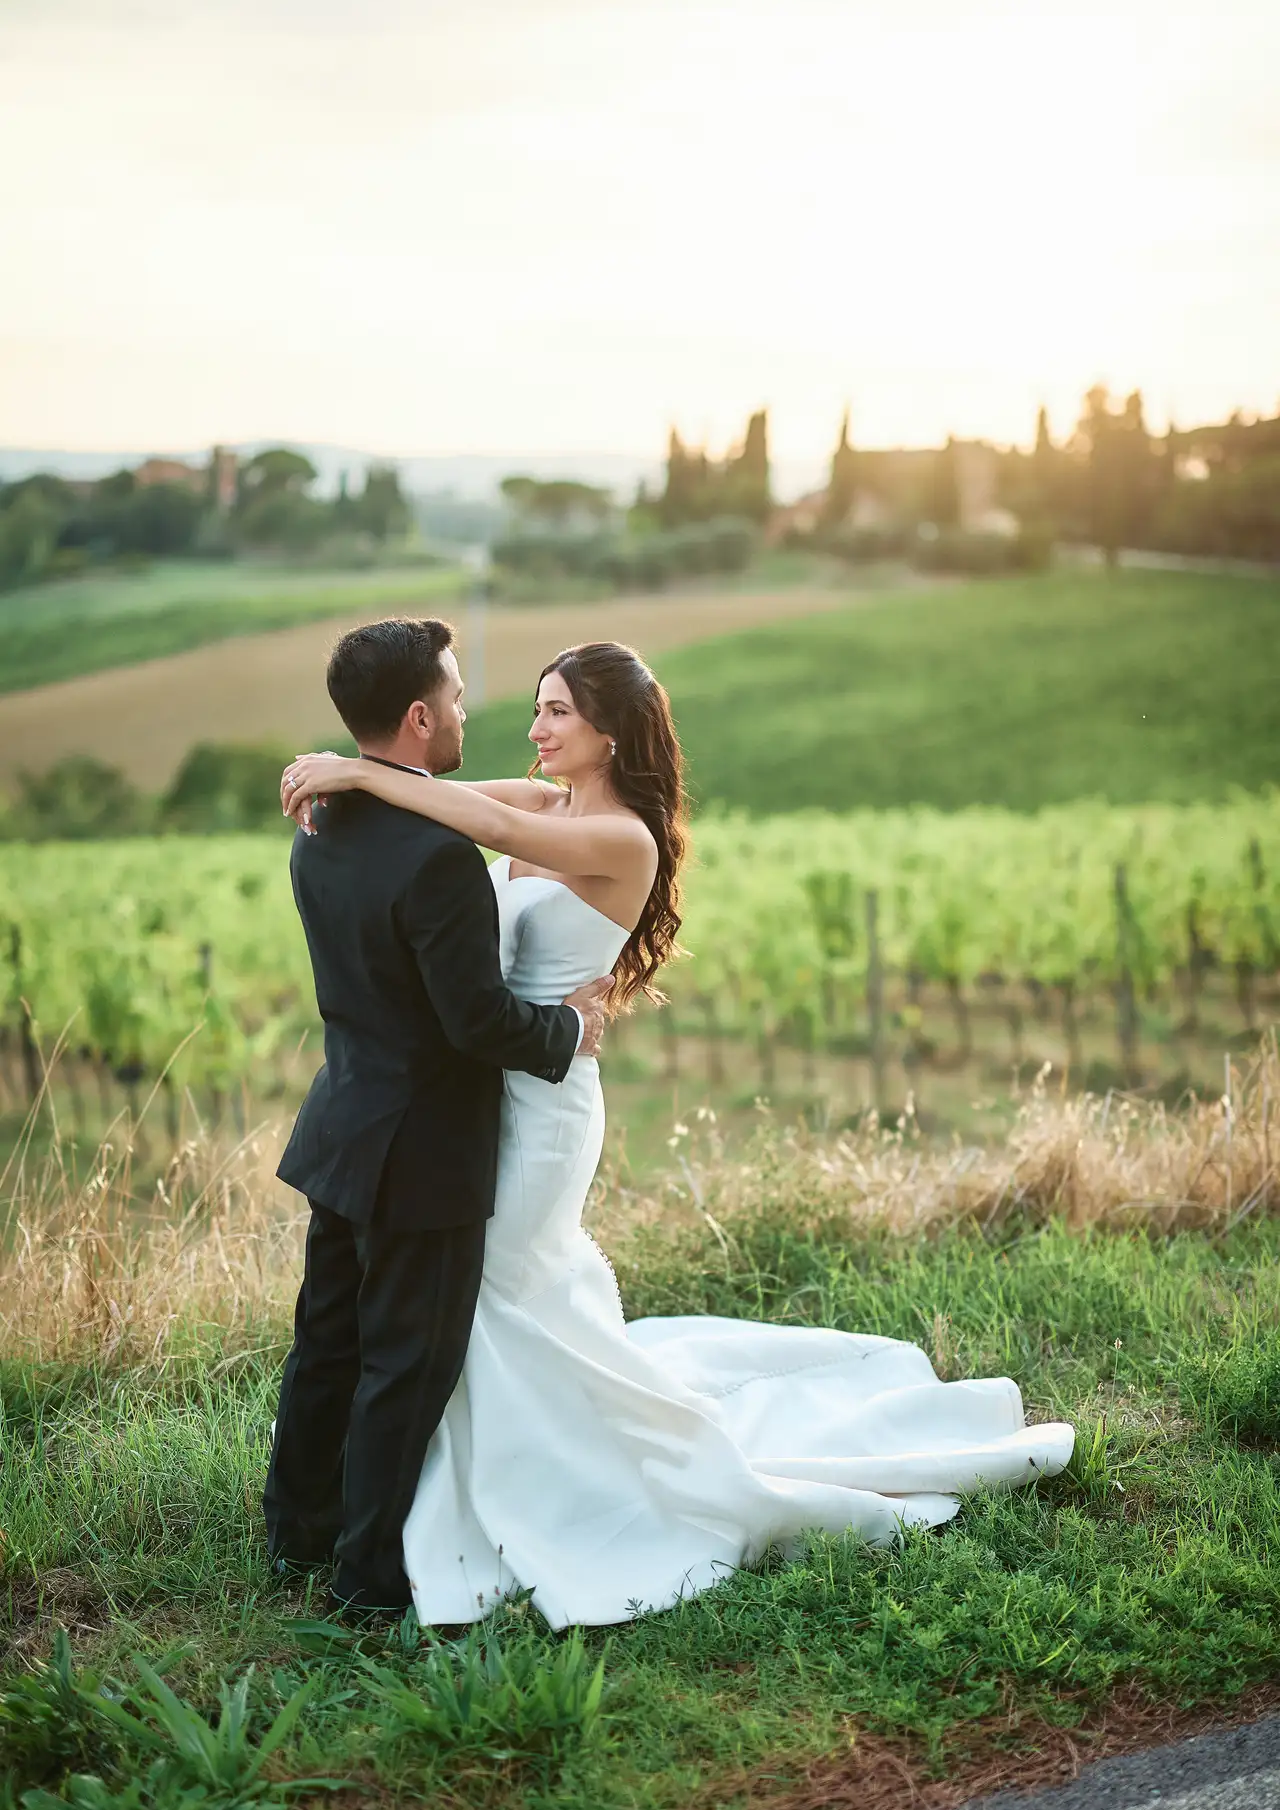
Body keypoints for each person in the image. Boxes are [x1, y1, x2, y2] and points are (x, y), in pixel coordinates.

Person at [281, 638, 1074, 1629]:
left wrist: (353, 772)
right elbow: (471, 796)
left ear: (610, 732)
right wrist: (362, 780)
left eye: (557, 713)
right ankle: (435, 1495)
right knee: (480, 1306)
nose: (533, 729)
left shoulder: (620, 839)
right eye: (534, 708)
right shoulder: (554, 805)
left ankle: (523, 1493)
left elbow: (467, 812)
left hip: (545, 1097)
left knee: (502, 1293)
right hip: (493, 1089)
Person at [265, 617, 613, 1618]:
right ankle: (368, 1586)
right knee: (403, 1367)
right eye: (456, 698)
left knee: (326, 1342)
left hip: (342, 1126)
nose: (467, 711)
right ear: (419, 716)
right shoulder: (438, 859)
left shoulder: (324, 828)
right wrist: (567, 1029)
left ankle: (296, 1533)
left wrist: (358, 774)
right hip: (423, 1155)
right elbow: (476, 1023)